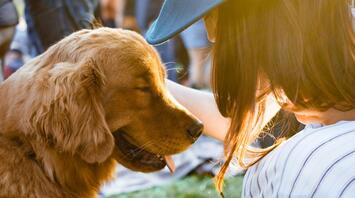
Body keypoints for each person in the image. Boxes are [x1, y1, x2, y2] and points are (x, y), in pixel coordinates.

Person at [145, 0, 355, 197]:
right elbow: (239, 120)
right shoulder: (303, 54)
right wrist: (147, 84)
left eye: (212, 16)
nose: (210, 35)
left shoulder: (305, 165)